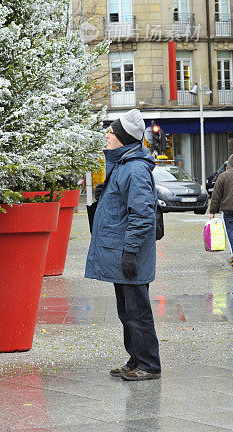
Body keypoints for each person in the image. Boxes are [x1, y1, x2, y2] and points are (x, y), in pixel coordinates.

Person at [85, 108, 161, 381]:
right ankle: (136, 359)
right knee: (127, 311)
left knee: (137, 312)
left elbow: (142, 215)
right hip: (122, 253)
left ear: (123, 138)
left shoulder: (135, 168)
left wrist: (129, 252)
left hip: (131, 254)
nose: (107, 135)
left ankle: (149, 364)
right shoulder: (122, 165)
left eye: (112, 132)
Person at [209, 152, 233, 267]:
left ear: (228, 164)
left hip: (228, 210)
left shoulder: (223, 176)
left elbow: (216, 195)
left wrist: (212, 212)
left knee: (231, 232)